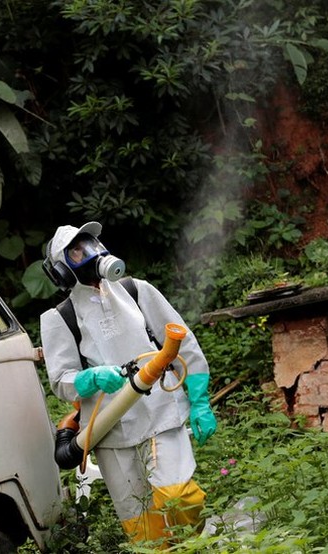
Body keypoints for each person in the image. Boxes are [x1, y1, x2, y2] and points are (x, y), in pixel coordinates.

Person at [40, 221, 217, 545]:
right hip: (110, 428)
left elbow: (182, 341)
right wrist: (89, 379)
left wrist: (200, 399)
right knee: (143, 529)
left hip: (160, 412)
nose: (91, 254)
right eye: (78, 251)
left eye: (91, 244)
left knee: (181, 498)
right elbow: (61, 380)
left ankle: (195, 546)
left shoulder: (137, 290)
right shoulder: (59, 318)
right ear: (63, 270)